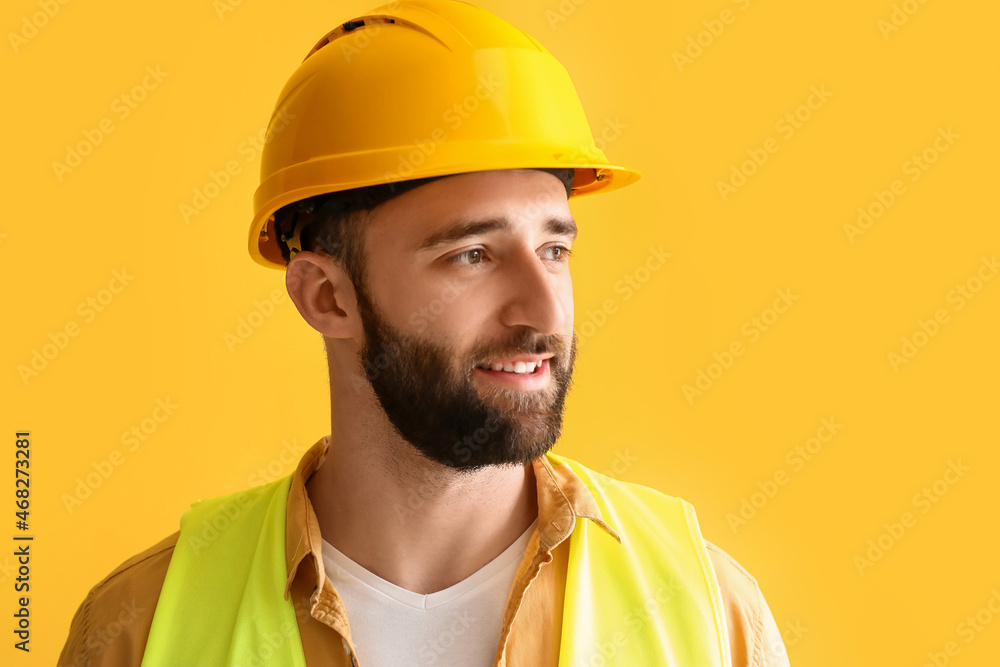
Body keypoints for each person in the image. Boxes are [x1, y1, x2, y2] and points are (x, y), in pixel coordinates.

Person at [59, 1, 791, 665]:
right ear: (325, 295)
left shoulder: (705, 614)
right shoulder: (142, 627)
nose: (542, 311)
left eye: (554, 250)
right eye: (472, 255)